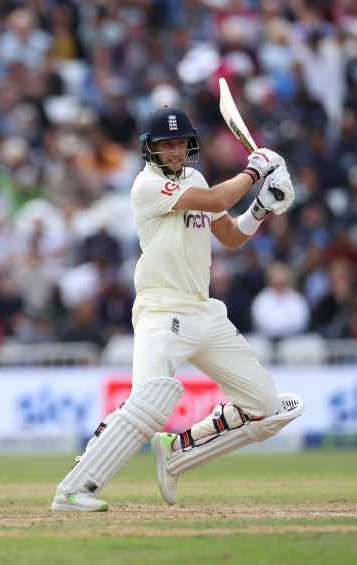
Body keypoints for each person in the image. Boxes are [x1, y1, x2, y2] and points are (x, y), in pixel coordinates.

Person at [51, 107, 302, 512]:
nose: (174, 152)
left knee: (267, 409)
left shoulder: (196, 178)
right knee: (150, 402)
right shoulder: (146, 186)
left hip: (204, 312)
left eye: (180, 143)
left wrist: (261, 208)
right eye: (165, 145)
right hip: (161, 308)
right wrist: (255, 172)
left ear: (190, 145)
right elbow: (221, 196)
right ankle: (73, 490)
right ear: (150, 149)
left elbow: (230, 236)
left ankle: (178, 452)